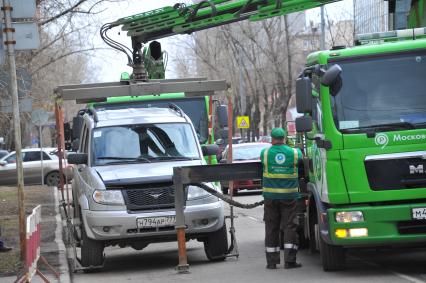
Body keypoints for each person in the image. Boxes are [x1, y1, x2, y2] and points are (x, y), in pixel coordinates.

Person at [260, 127, 303, 269]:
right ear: (284, 138)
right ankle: (290, 261)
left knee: (271, 227)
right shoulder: (294, 153)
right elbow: (301, 158)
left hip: (270, 197)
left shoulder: (265, 153)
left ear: (272, 139)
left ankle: (272, 262)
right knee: (290, 226)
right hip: (289, 196)